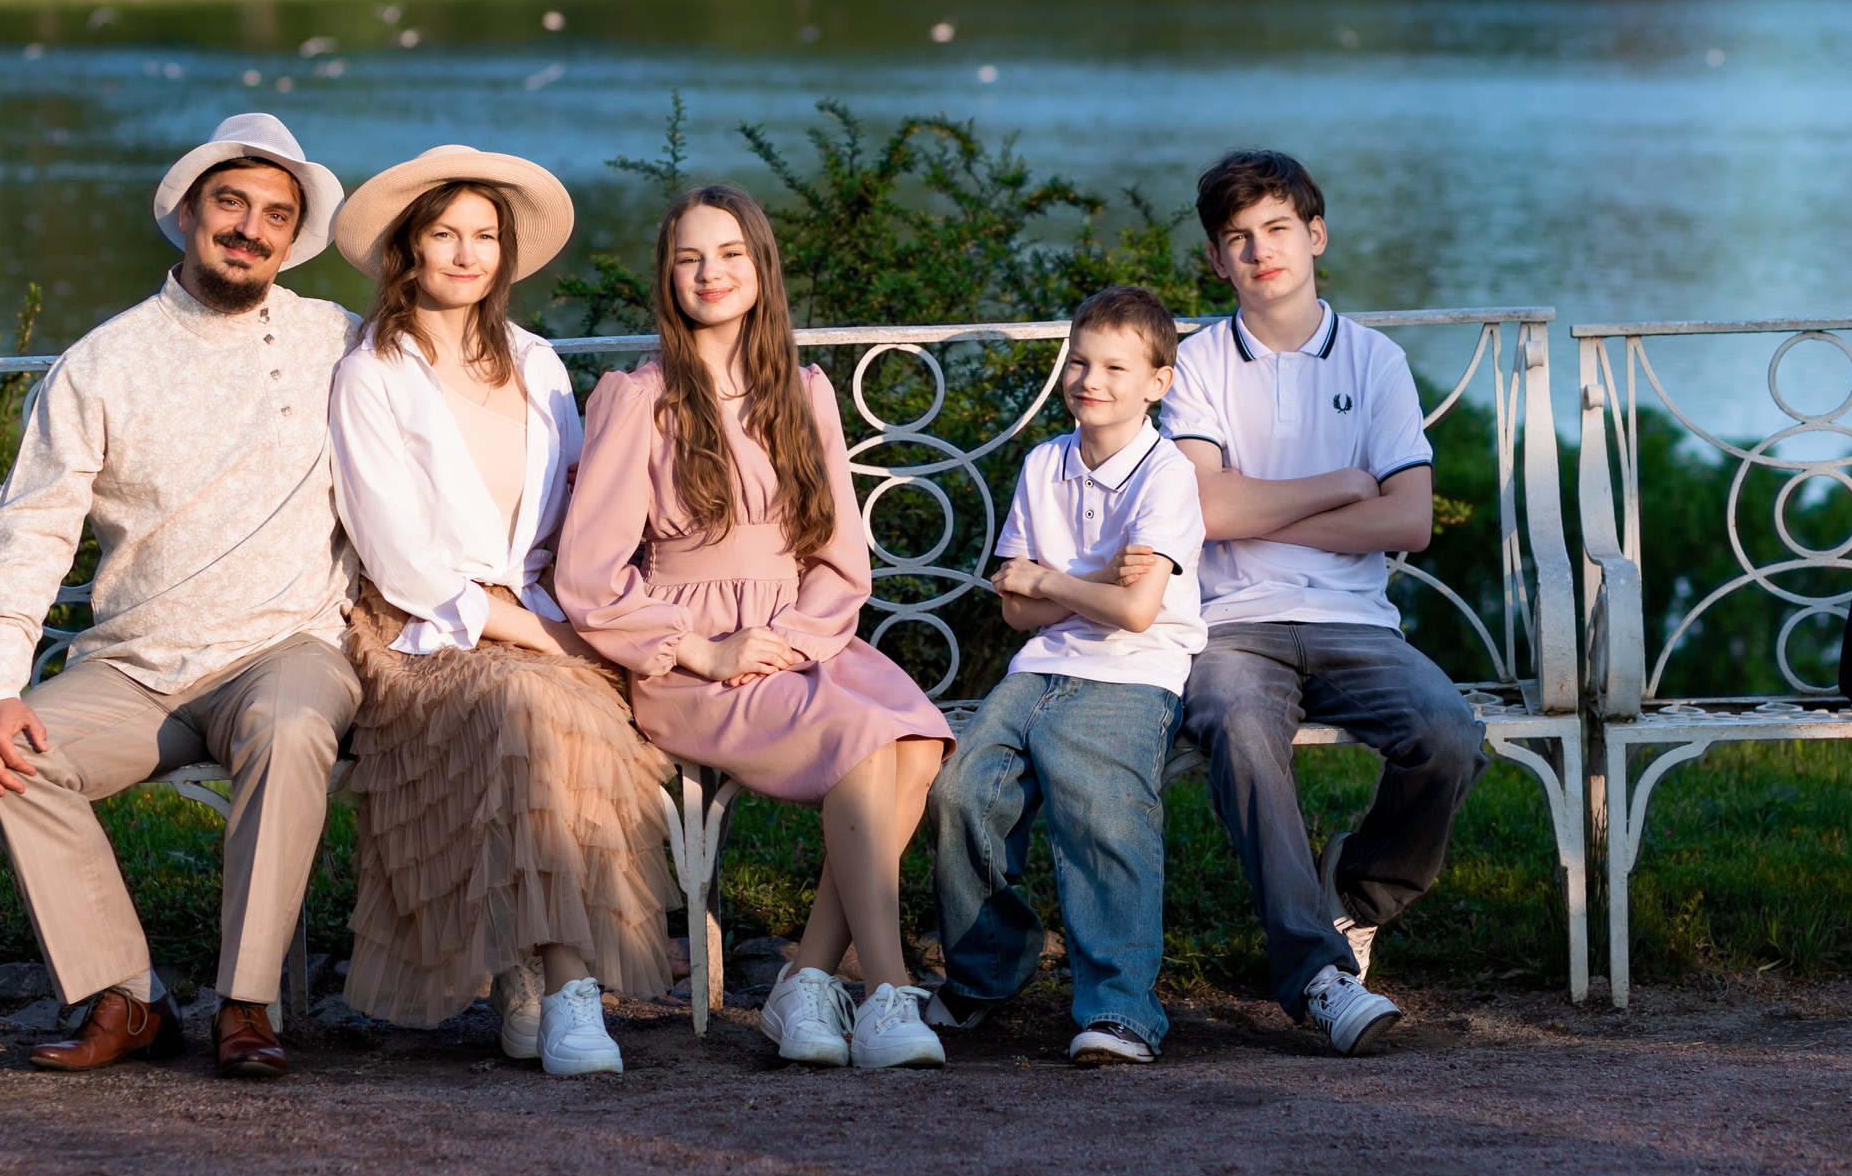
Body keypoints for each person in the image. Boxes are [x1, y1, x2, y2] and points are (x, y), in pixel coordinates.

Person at [0, 113, 360, 1080]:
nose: (249, 228)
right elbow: (31, 530)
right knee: (12, 755)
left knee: (292, 725)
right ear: (188, 210)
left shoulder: (337, 340)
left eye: (275, 214)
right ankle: (127, 998)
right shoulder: (102, 362)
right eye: (231, 203)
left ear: (292, 236)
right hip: (138, 668)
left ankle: (248, 1005)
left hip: (287, 647)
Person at [559, 186, 955, 1070]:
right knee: (862, 738)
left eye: (730, 253)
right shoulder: (641, 398)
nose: (711, 272)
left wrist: (798, 640)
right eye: (690, 257)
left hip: (795, 638)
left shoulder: (803, 393)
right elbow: (588, 572)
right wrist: (704, 649)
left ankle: (806, 979)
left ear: (761, 266)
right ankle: (886, 993)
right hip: (691, 660)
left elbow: (840, 558)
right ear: (668, 276)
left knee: (917, 739)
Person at [328, 145, 678, 1077]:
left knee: (556, 713)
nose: (466, 253)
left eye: (484, 235)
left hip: (548, 611)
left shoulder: (538, 362)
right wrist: (544, 635)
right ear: (409, 248)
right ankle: (571, 992)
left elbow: (583, 512)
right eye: (445, 233)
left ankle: (525, 971)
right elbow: (396, 553)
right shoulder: (374, 372)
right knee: (531, 703)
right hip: (422, 631)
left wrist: (584, 619)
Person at [1165, 148, 1483, 1057]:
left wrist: (1260, 505)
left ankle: (1357, 897)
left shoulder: (1376, 360)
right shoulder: (1195, 363)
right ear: (1216, 260)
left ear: (1316, 235)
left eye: (1277, 229)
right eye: (1237, 238)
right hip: (1234, 626)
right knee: (1239, 728)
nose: (1260, 251)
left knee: (1448, 734)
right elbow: (1206, 511)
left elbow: (1409, 520)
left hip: (1355, 623)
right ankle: (1317, 975)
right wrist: (1344, 485)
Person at [924, 284, 1206, 1067]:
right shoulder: (1044, 462)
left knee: (1101, 810)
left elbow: (1137, 613)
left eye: (1116, 366)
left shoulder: (1167, 474)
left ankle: (1121, 1010)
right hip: (1042, 663)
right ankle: (985, 974)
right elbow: (1016, 611)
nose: (1091, 379)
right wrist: (1091, 581)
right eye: (1079, 361)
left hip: (1134, 671)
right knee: (961, 793)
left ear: (1157, 382)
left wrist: (1053, 580)